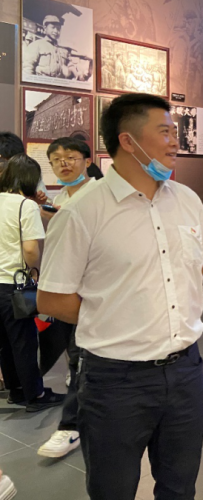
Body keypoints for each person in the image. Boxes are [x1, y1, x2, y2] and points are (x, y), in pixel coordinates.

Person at [37, 93, 203, 500]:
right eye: (165, 132)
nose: (175, 141)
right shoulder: (83, 211)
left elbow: (200, 266)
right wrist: (119, 317)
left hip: (186, 371)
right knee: (113, 489)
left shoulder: (187, 200)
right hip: (115, 380)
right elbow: (51, 299)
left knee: (180, 487)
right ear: (128, 141)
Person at [37, 137, 98, 459]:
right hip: (65, 291)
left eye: (71, 157)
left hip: (92, 291)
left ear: (87, 161)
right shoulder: (61, 198)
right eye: (57, 159)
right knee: (75, 357)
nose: (64, 164)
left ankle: (70, 425)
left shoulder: (97, 195)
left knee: (82, 357)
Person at [0, 155, 64, 412]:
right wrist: (33, 272)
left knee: (5, 343)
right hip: (13, 284)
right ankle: (35, 395)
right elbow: (30, 249)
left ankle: (16, 391)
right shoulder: (24, 206)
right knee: (24, 341)